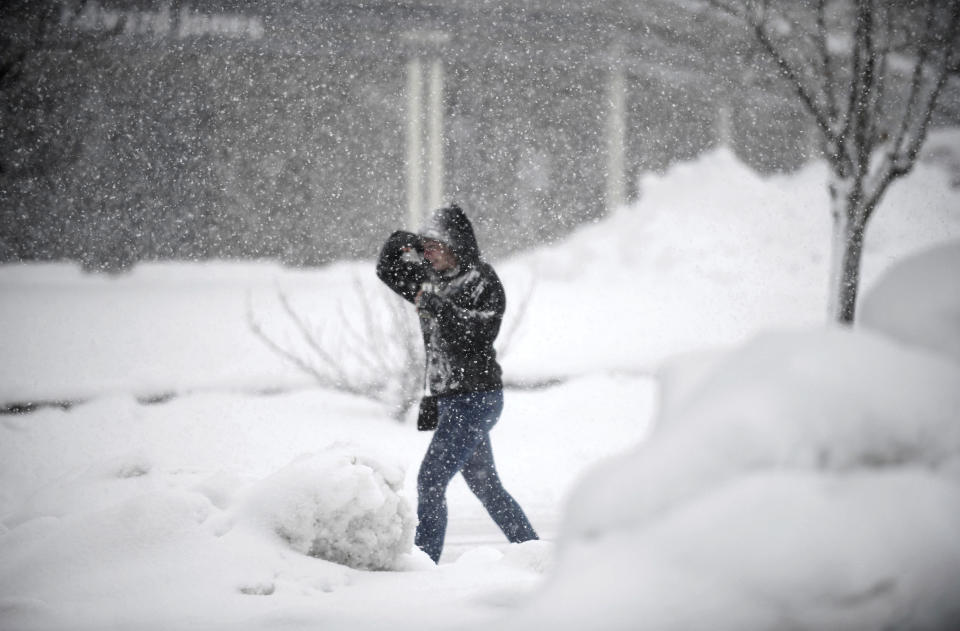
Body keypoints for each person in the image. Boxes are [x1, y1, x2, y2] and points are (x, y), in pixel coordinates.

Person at [376, 204, 539, 563]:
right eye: (425, 247)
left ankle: (424, 563)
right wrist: (399, 241)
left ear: (456, 246)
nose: (428, 254)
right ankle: (534, 551)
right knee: (487, 487)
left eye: (435, 246)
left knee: (430, 482)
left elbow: (478, 334)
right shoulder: (430, 281)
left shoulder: (483, 281)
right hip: (452, 401)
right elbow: (387, 269)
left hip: (476, 399)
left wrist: (438, 307)